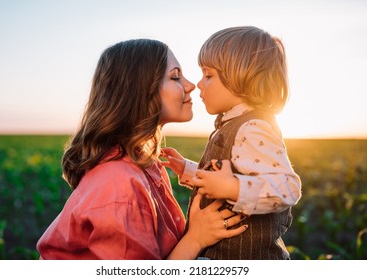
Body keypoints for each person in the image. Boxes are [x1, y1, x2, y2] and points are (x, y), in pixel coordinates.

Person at [36, 39, 248, 260]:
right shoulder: (120, 184)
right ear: (140, 91)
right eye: (175, 76)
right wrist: (196, 238)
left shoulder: (146, 163)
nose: (190, 85)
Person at [161, 26, 302, 259]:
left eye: (208, 75)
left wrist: (232, 189)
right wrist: (189, 169)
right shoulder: (232, 124)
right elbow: (233, 170)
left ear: (240, 76)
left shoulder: (253, 127)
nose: (198, 84)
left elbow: (287, 187)